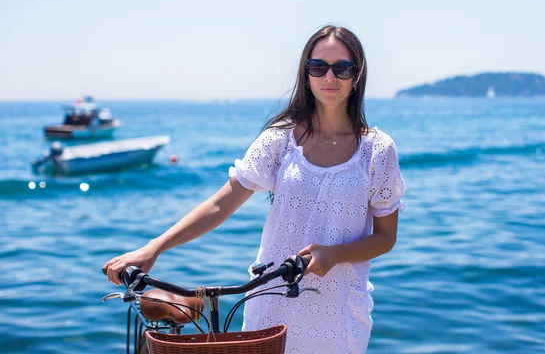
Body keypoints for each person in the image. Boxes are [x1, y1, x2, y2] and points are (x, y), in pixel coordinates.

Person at [103, 24, 405, 353]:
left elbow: (385, 237)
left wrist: (332, 254)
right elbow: (221, 204)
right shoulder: (281, 139)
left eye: (341, 68)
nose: (329, 77)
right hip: (272, 303)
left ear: (357, 75)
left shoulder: (376, 150)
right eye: (318, 67)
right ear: (306, 73)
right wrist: (154, 248)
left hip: (341, 311)